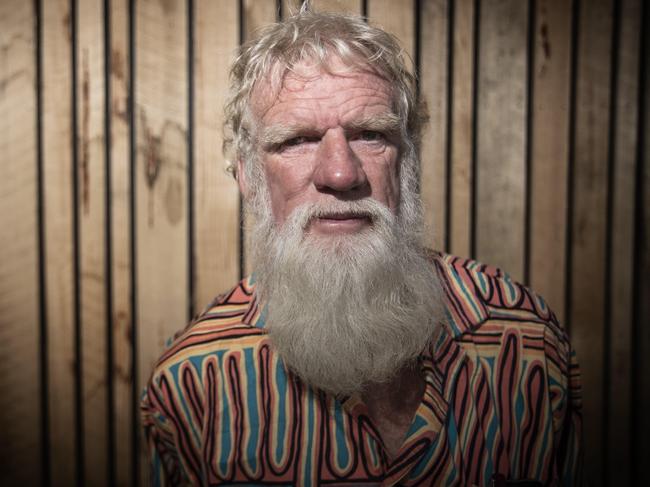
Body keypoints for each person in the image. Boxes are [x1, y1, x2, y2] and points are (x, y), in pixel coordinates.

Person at [141, 6, 582, 486]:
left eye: (371, 135)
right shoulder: (191, 388)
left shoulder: (529, 342)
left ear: (406, 165)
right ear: (249, 177)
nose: (340, 173)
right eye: (296, 141)